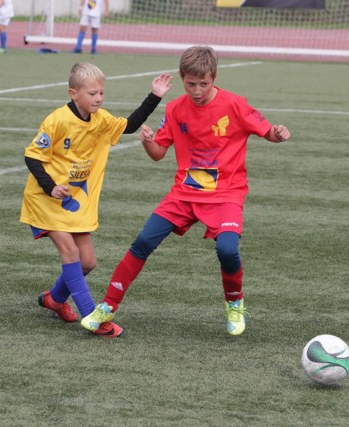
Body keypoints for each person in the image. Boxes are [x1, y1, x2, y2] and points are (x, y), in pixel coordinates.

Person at [81, 46, 291, 337]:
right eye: (190, 84)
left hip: (226, 194)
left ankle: (234, 304)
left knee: (227, 249)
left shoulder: (235, 104)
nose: (196, 90)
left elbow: (268, 132)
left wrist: (278, 134)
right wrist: (147, 141)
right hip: (183, 194)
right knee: (142, 242)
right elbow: (158, 154)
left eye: (203, 84)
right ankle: (107, 306)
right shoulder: (175, 108)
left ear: (214, 77)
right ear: (182, 78)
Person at [20, 63, 172, 338]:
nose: (98, 98)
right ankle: (94, 318)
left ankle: (55, 299)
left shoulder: (101, 120)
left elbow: (130, 124)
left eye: (101, 92)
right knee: (71, 253)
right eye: (92, 93)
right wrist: (51, 187)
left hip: (75, 201)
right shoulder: (57, 120)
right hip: (45, 199)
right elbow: (32, 156)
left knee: (88, 262)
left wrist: (155, 96)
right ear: (74, 93)